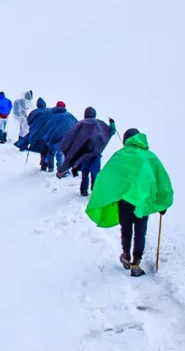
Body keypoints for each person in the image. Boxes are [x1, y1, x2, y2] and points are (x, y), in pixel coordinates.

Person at [85, 129, 174, 277]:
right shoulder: (150, 157)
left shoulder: (121, 155)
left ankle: (126, 256)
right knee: (140, 231)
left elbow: (107, 174)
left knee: (126, 229)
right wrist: (162, 204)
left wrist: (110, 193)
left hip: (125, 201)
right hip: (143, 201)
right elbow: (162, 181)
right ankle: (136, 264)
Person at [56, 107, 117, 196]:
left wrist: (67, 148)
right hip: (96, 154)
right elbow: (111, 131)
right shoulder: (99, 124)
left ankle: (84, 190)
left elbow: (70, 136)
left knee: (85, 172)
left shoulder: (80, 124)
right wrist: (112, 122)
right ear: (94, 114)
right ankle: (95, 190)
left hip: (84, 154)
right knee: (95, 172)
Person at [41, 101, 78, 172]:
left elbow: (48, 127)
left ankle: (50, 168)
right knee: (60, 153)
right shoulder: (69, 115)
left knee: (51, 152)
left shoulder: (53, 116)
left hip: (54, 138)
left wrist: (46, 137)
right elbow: (76, 124)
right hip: (66, 138)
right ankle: (60, 169)